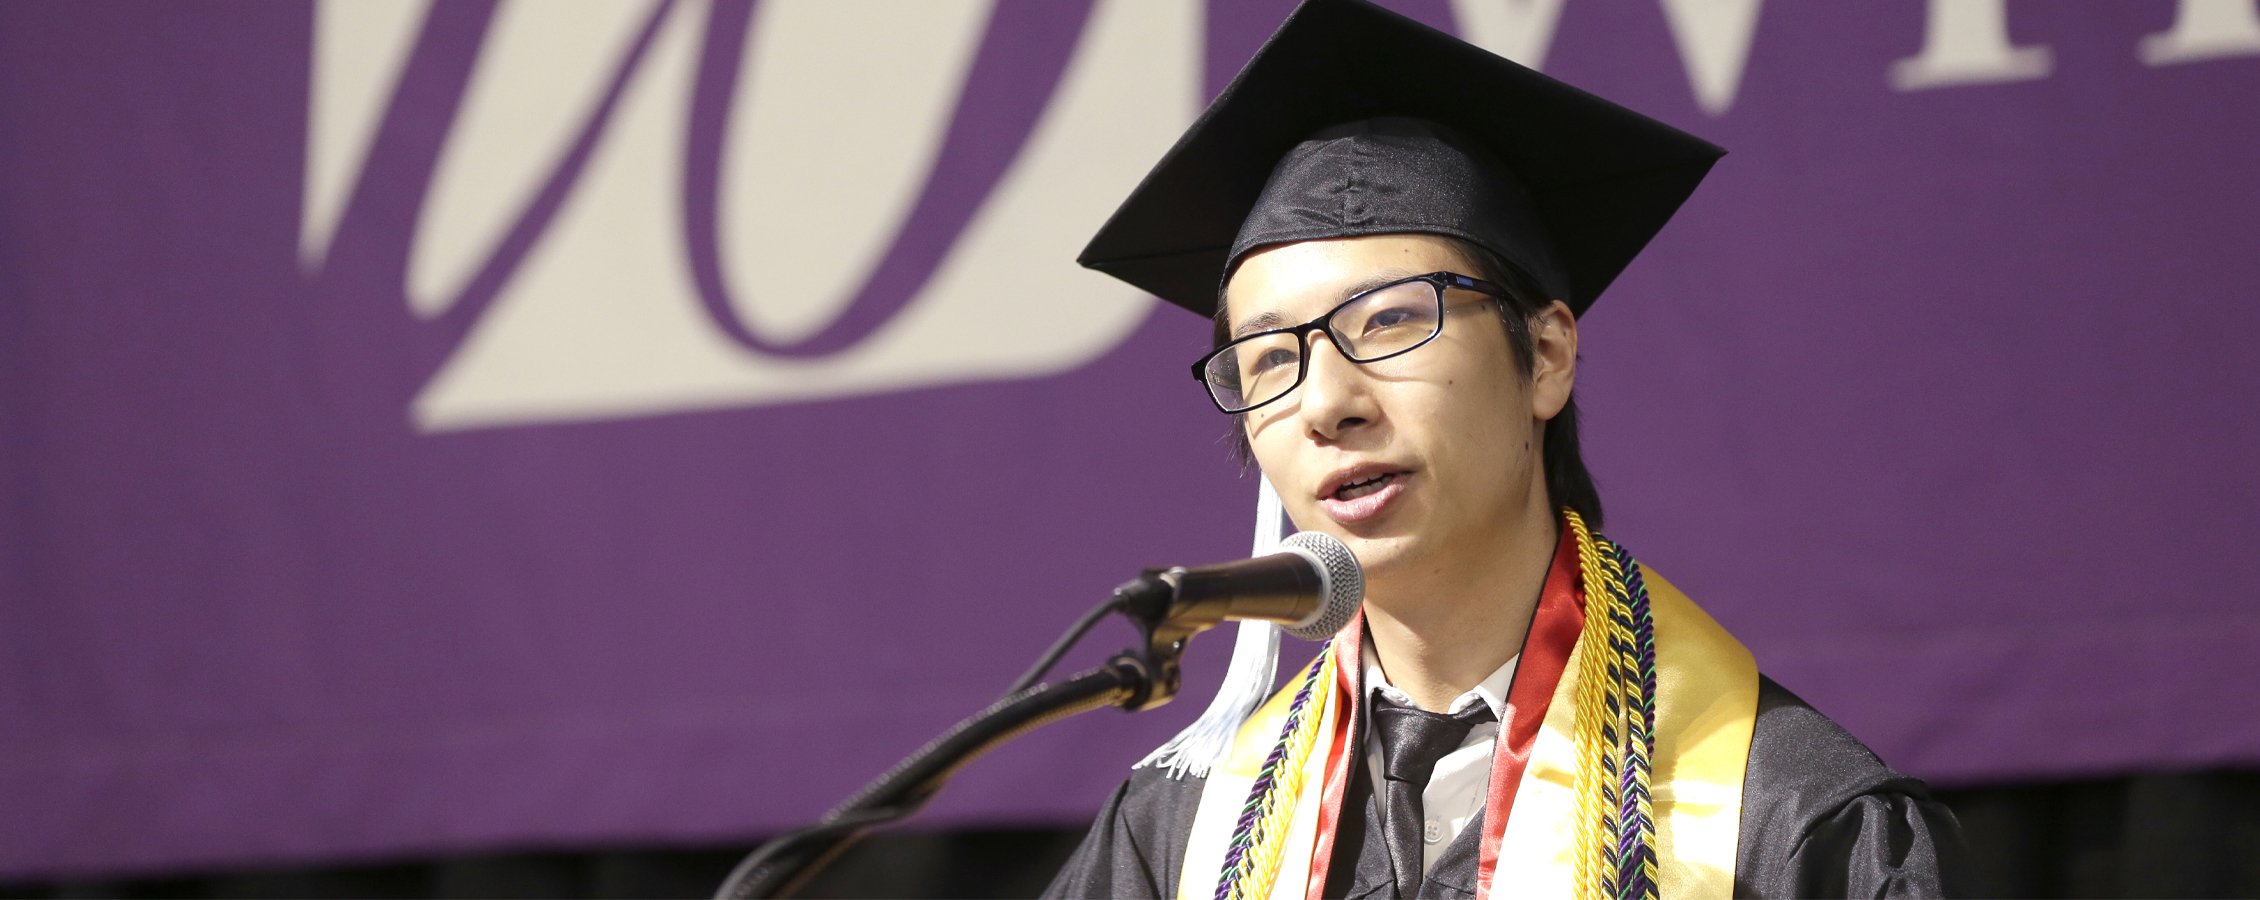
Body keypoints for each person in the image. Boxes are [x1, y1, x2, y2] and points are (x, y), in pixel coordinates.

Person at [1045, 1, 1970, 898]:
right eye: (1270, 358)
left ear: (1548, 356)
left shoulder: (1784, 821)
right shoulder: (1179, 839)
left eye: (1392, 321)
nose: (1327, 402)